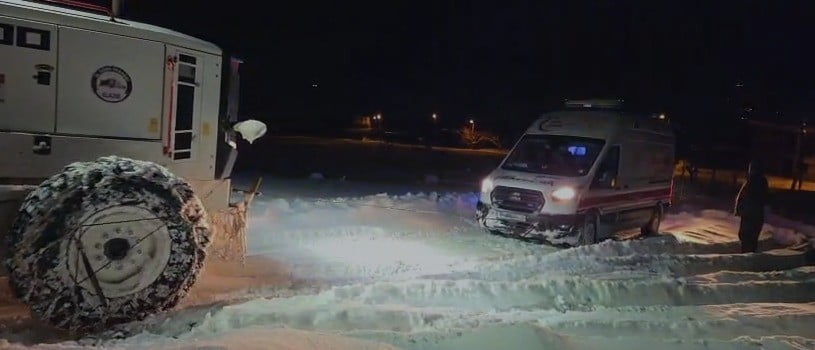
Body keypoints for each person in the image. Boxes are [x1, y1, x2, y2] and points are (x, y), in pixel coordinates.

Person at [734, 161, 769, 253]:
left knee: (746, 236)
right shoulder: (763, 181)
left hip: (748, 214)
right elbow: (766, 198)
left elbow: (741, 196)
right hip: (756, 214)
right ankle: (750, 254)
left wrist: (738, 209)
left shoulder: (750, 181)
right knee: (752, 237)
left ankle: (746, 254)